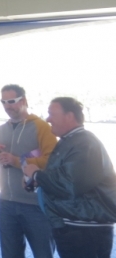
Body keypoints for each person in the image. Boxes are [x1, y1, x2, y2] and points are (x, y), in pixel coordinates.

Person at [23, 97, 116, 258]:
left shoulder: (84, 143)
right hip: (75, 226)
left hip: (84, 231)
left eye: (52, 114)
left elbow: (70, 185)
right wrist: (37, 180)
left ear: (69, 116)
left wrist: (37, 174)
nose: (48, 119)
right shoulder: (72, 141)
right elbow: (67, 177)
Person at [0, 84, 56, 258]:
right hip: (6, 203)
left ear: (24, 101)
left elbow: (52, 161)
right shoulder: (1, 130)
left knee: (43, 254)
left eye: (12, 101)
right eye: (4, 102)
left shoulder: (42, 127)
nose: (7, 106)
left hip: (36, 205)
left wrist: (16, 161)